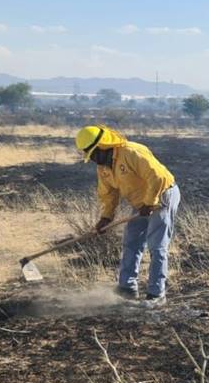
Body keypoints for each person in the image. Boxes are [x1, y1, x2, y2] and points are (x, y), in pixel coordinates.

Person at [74, 124, 180, 305]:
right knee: (131, 241)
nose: (92, 159)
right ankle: (127, 288)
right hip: (142, 203)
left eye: (93, 153)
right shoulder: (103, 167)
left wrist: (150, 202)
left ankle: (156, 294)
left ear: (103, 146)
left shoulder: (131, 152)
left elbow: (158, 177)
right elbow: (108, 194)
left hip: (162, 195)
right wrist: (106, 218)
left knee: (157, 245)